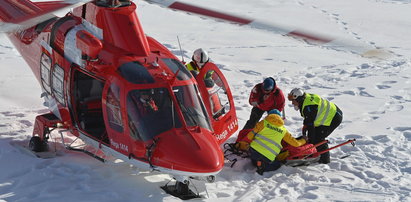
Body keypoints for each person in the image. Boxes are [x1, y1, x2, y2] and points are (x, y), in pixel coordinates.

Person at [236, 109, 307, 175]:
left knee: (255, 159)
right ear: (280, 118)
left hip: (254, 151)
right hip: (268, 156)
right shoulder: (283, 130)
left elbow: (249, 136)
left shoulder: (263, 123)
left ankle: (257, 162)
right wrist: (304, 140)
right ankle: (263, 167)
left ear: (269, 115)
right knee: (277, 164)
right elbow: (295, 143)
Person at [287, 88, 343, 164]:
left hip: (334, 118)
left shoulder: (308, 107)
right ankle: (317, 153)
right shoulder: (305, 101)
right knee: (314, 136)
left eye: (293, 101)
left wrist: (311, 142)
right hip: (331, 113)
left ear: (299, 99)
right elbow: (309, 119)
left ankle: (324, 160)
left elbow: (311, 126)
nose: (292, 103)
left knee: (318, 138)